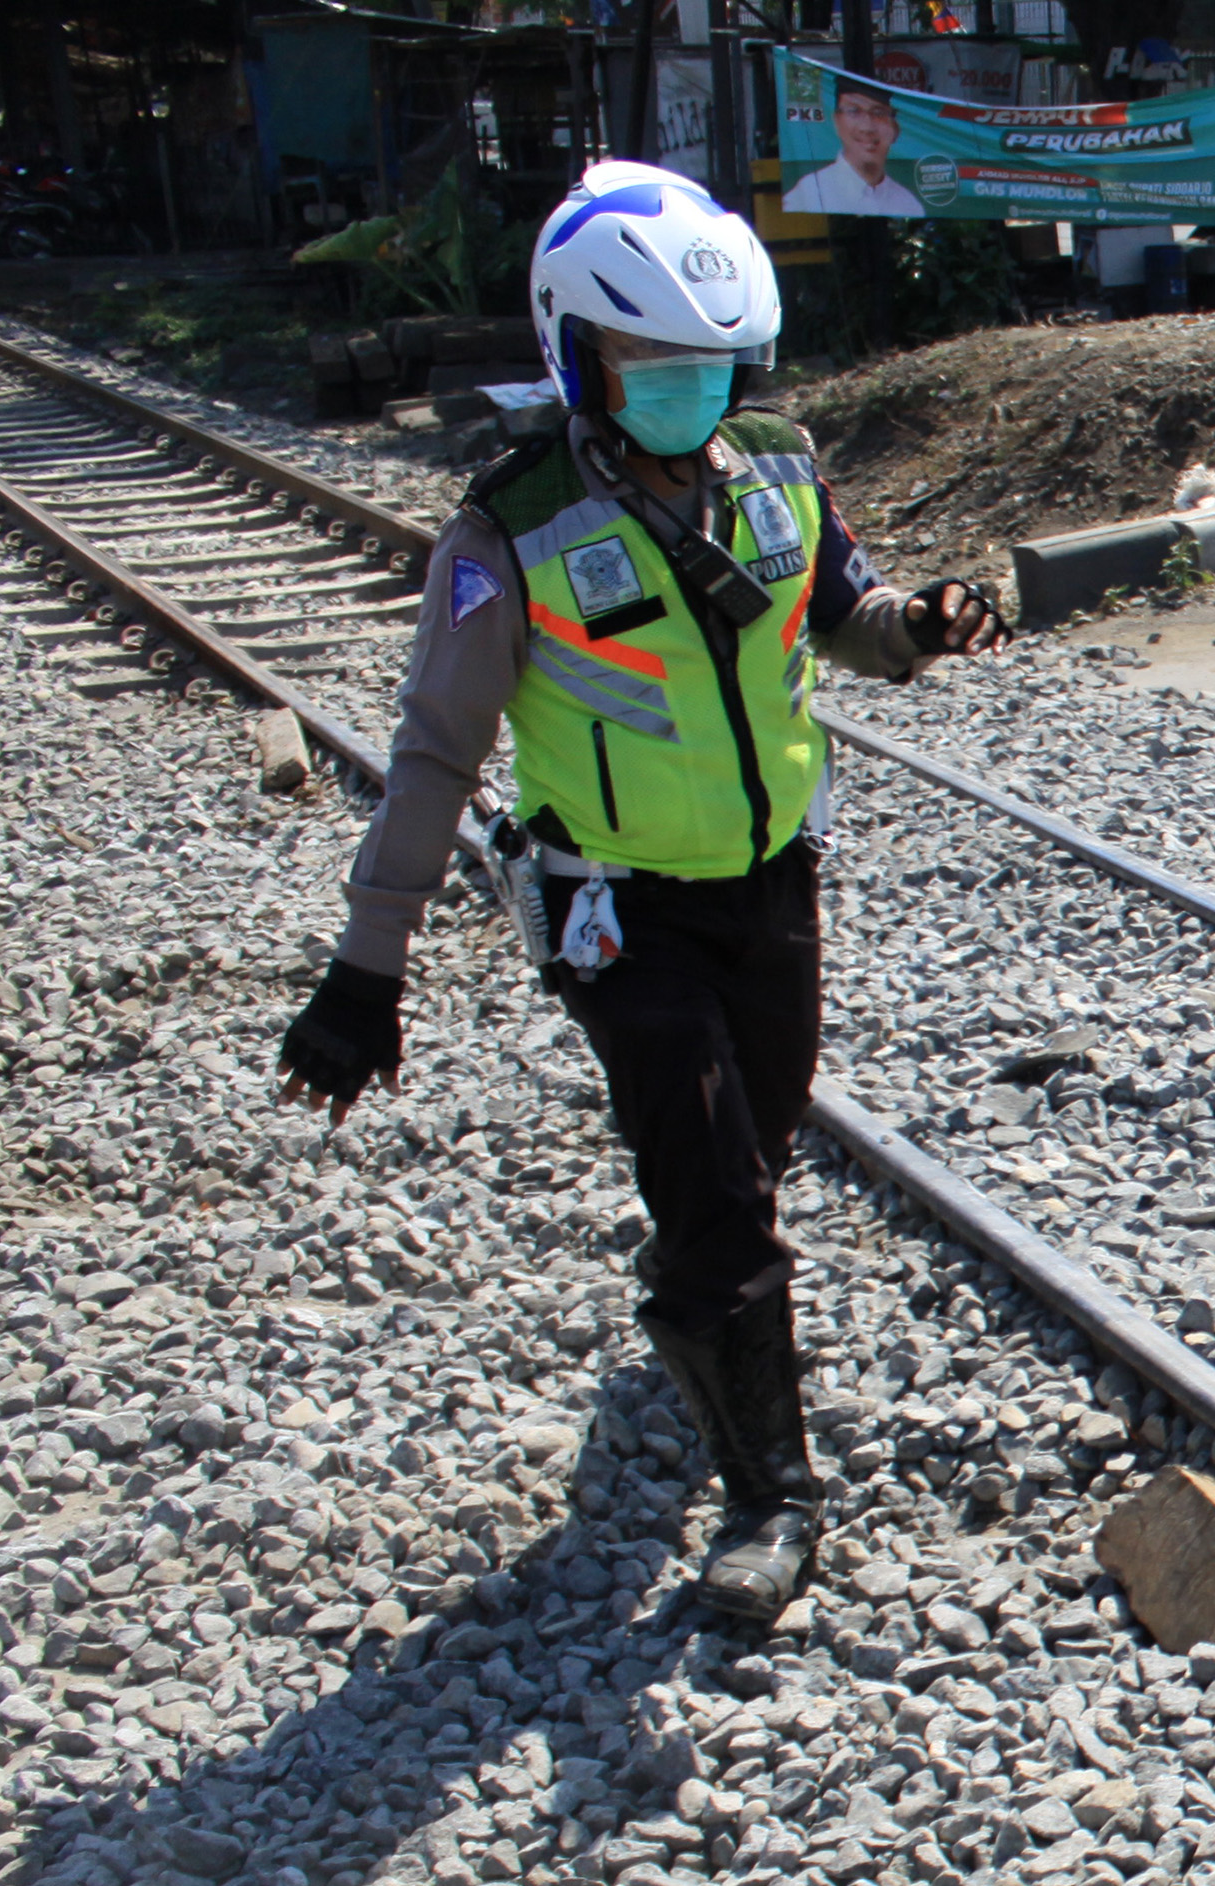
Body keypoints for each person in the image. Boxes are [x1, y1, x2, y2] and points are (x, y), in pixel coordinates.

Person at [271, 163, 1006, 1621]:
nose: (690, 390)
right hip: (618, 910)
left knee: (761, 1137)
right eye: (656, 365)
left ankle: (703, 1279)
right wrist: (367, 971)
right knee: (724, 1203)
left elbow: (838, 615)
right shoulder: (513, 528)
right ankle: (771, 1497)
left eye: (714, 365)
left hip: (773, 882)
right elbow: (432, 754)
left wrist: (917, 625)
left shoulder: (781, 464)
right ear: (579, 355)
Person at [783, 77, 927, 217]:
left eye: (879, 113)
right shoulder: (809, 194)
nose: (867, 127)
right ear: (836, 121)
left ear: (894, 128)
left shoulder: (908, 204)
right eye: (854, 111)